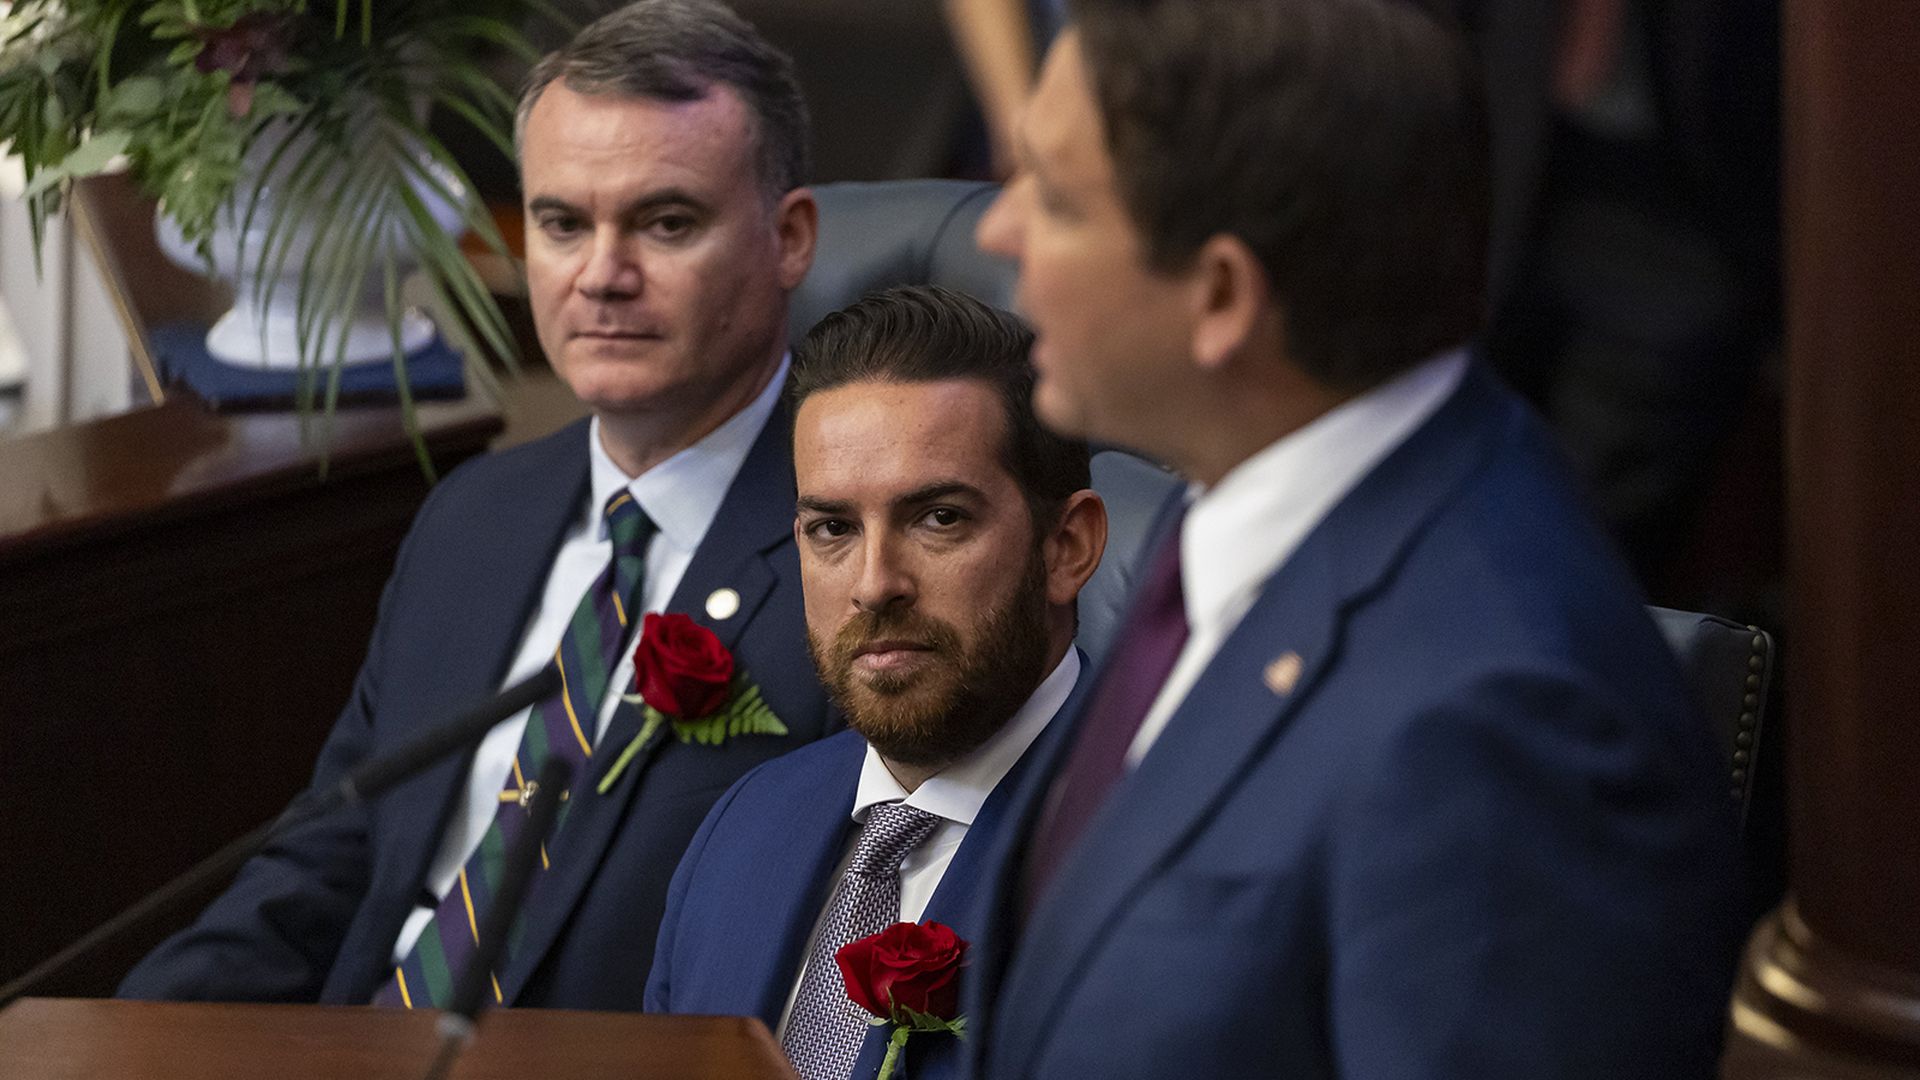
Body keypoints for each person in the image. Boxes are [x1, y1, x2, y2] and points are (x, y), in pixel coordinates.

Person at [965, 1, 1746, 1077]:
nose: (993, 231)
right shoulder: (1243, 493)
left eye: (1052, 198)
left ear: (1223, 297)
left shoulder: (1501, 734)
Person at [119, 0, 834, 1009]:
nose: (602, 276)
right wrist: (116, 1042)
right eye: (561, 224)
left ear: (789, 237)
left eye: (666, 222)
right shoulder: (474, 518)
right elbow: (324, 866)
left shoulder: (855, 555)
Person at [645, 285, 1106, 1080]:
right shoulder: (744, 824)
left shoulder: (1157, 860)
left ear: (1067, 546)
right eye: (832, 529)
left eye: (939, 519)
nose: (874, 583)